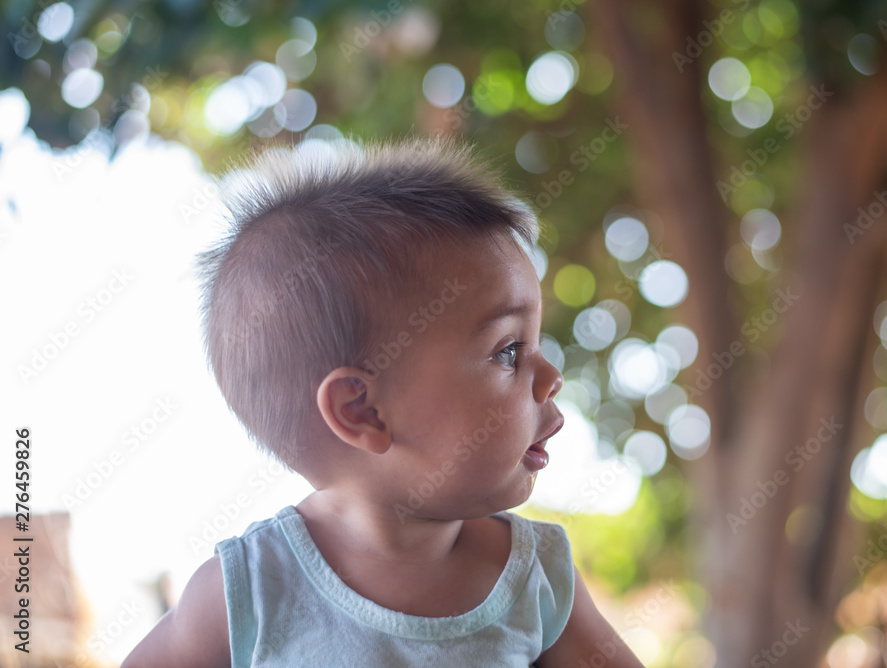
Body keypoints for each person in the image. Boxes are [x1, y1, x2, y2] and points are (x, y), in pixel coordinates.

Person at [122, 138, 643, 667]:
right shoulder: (251, 591)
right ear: (361, 411)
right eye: (509, 351)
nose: (551, 376)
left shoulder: (535, 580)